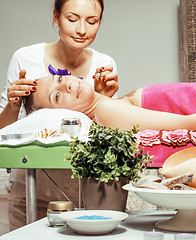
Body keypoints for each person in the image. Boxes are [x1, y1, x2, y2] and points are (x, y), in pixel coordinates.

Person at [0, 0, 119, 231]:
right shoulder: (25, 58)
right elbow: (2, 133)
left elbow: (104, 139)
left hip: (85, 191)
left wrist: (103, 100)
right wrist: (13, 106)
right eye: (72, 19)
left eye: (92, 21)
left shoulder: (104, 65)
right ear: (56, 17)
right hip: (30, 188)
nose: (82, 29)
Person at [23, 74, 196, 132]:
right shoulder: (106, 111)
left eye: (58, 78)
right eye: (57, 96)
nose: (65, 84)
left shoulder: (106, 103)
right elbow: (189, 123)